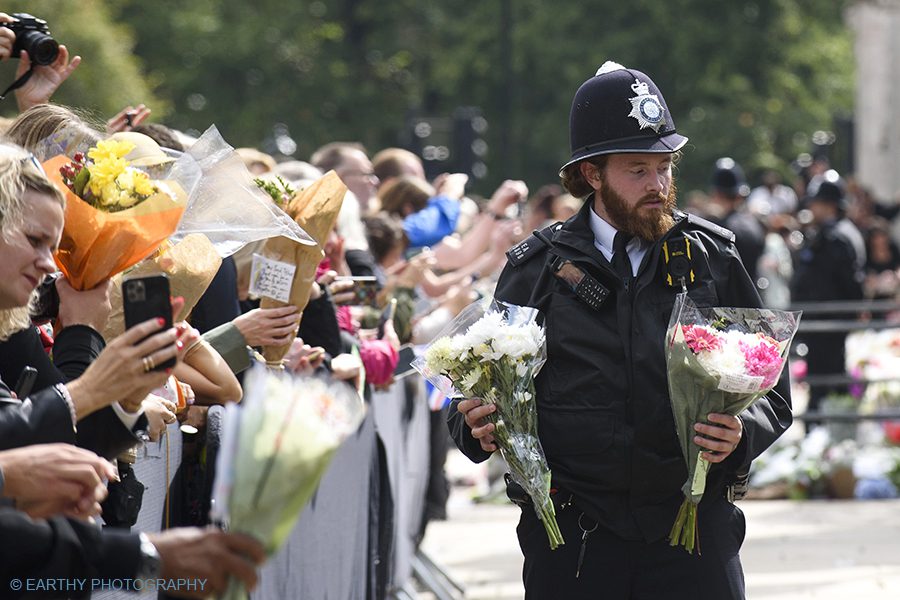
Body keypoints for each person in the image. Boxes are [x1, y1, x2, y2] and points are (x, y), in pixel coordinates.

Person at [448, 62, 792, 600]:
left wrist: (744, 432)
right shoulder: (537, 267)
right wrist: (474, 425)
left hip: (693, 532)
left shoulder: (712, 257)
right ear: (592, 174)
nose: (658, 185)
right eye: (638, 170)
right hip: (574, 542)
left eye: (665, 167)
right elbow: (474, 389)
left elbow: (772, 385)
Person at [790, 170, 865, 420]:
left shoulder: (837, 237)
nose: (812, 208)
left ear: (829, 205)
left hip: (829, 322)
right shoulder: (836, 233)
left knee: (827, 381)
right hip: (823, 323)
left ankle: (826, 429)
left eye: (817, 203)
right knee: (823, 380)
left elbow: (845, 283)